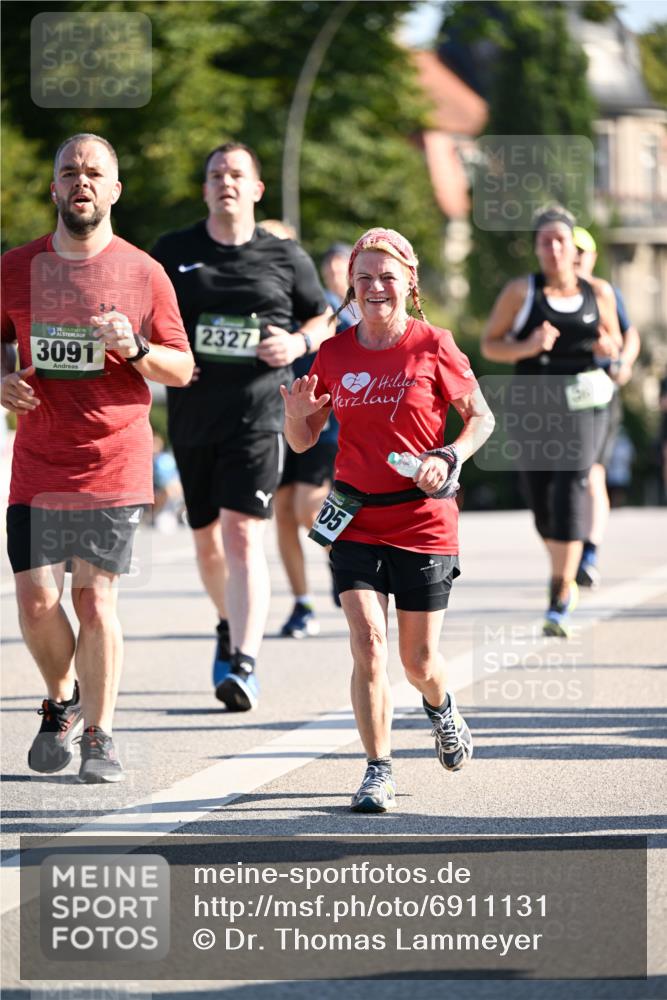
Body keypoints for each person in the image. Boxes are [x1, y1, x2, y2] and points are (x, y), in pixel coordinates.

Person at [1, 133, 193, 782]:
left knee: (94, 602)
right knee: (33, 602)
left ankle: (101, 735)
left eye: (94, 173)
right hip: (37, 460)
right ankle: (62, 700)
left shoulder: (143, 272)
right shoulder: (15, 268)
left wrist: (135, 348)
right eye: (69, 172)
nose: (80, 182)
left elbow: (182, 365)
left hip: (112, 458)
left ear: (113, 190)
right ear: (53, 188)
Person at [280, 227, 494, 813]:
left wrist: (448, 455)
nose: (376, 287)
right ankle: (378, 768)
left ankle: (441, 705)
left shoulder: (435, 345)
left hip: (423, 521)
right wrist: (296, 419)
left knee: (417, 661)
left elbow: (481, 419)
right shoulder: (334, 352)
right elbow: (302, 442)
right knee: (368, 643)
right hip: (352, 515)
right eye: (365, 277)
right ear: (351, 284)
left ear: (410, 283)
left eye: (388, 277)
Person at [151, 142, 331, 710]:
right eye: (215, 175)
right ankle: (228, 625)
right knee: (207, 543)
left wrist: (300, 341)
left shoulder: (285, 255)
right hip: (193, 415)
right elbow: (148, 320)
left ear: (255, 189)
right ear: (205, 189)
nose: (225, 182)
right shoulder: (174, 252)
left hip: (259, 413)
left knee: (242, 533)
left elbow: (323, 315)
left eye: (236, 174)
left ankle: (245, 663)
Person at [482, 207, 622, 637]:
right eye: (545, 241)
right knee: (540, 498)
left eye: (561, 240)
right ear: (537, 248)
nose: (555, 249)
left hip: (584, 405)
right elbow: (490, 345)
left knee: (571, 484)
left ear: (572, 245)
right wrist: (528, 345)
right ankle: (566, 560)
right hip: (533, 405)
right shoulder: (521, 292)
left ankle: (560, 593)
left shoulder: (598, 293)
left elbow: (614, 345)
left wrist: (606, 347)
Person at [275, 242, 359, 637]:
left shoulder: (335, 307)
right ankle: (302, 604)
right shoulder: (278, 299)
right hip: (283, 415)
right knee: (284, 512)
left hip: (325, 421)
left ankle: (344, 556)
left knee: (309, 508)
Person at [572, 226, 641, 587]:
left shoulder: (604, 293)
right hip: (558, 397)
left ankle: (589, 552)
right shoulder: (548, 295)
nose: (576, 258)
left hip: (598, 391)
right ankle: (568, 546)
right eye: (572, 251)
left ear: (593, 257)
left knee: (592, 470)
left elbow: (629, 335)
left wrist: (624, 362)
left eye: (582, 252)